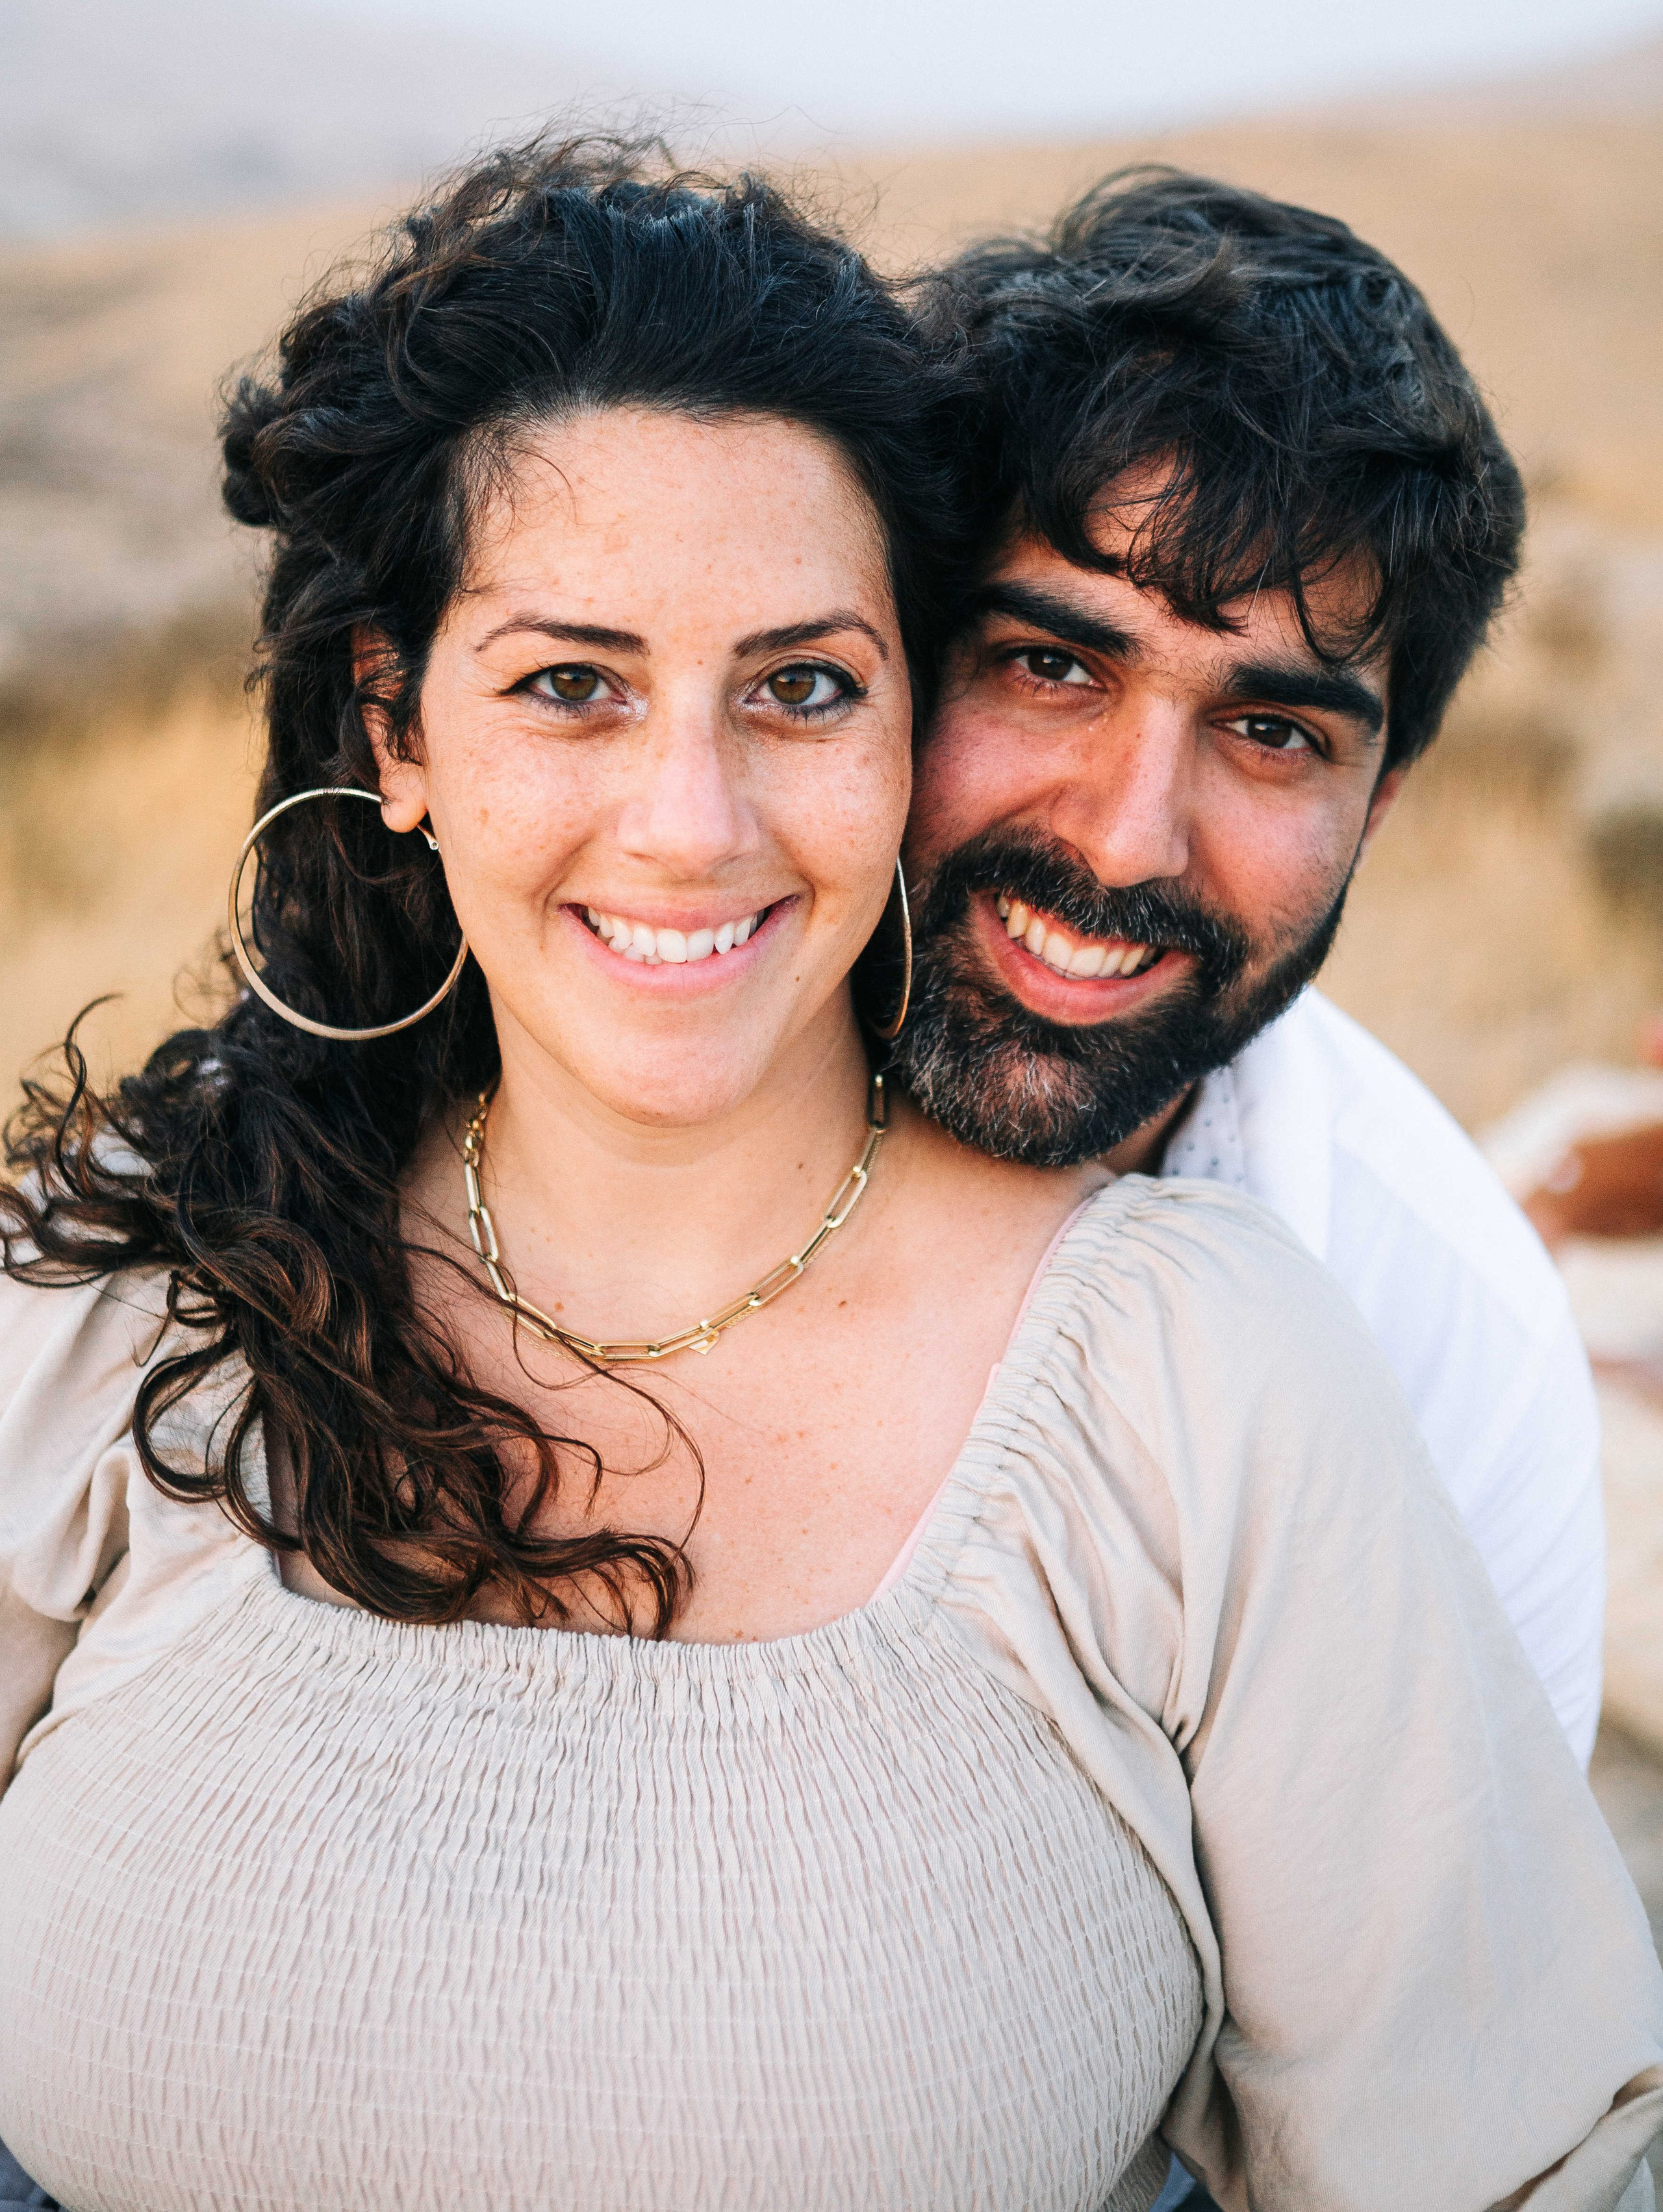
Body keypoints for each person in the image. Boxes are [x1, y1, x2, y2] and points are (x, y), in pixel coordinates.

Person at [1, 139, 1660, 2212]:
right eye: (569, 684)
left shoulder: (1317, 1351)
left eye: (795, 686)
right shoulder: (130, 1280)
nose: (691, 824)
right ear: (396, 727)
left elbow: (1506, 2142)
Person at [900, 168, 1606, 1774]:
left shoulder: (1443, 1335)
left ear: (1379, 806)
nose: (1133, 840)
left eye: (1271, 730)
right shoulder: (573, 1107)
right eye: (1049, 664)